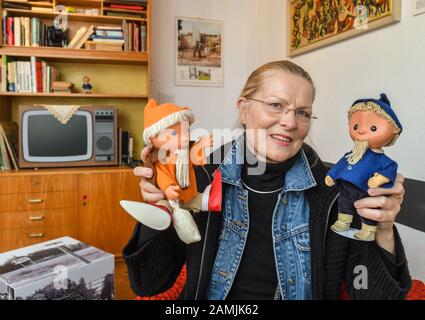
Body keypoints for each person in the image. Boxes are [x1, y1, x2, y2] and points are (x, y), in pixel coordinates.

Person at [123, 60, 411, 300]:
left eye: (302, 112)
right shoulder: (200, 177)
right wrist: (158, 206)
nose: (290, 122)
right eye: (275, 105)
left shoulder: (335, 193)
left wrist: (383, 229)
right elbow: (149, 282)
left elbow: (371, 293)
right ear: (244, 109)